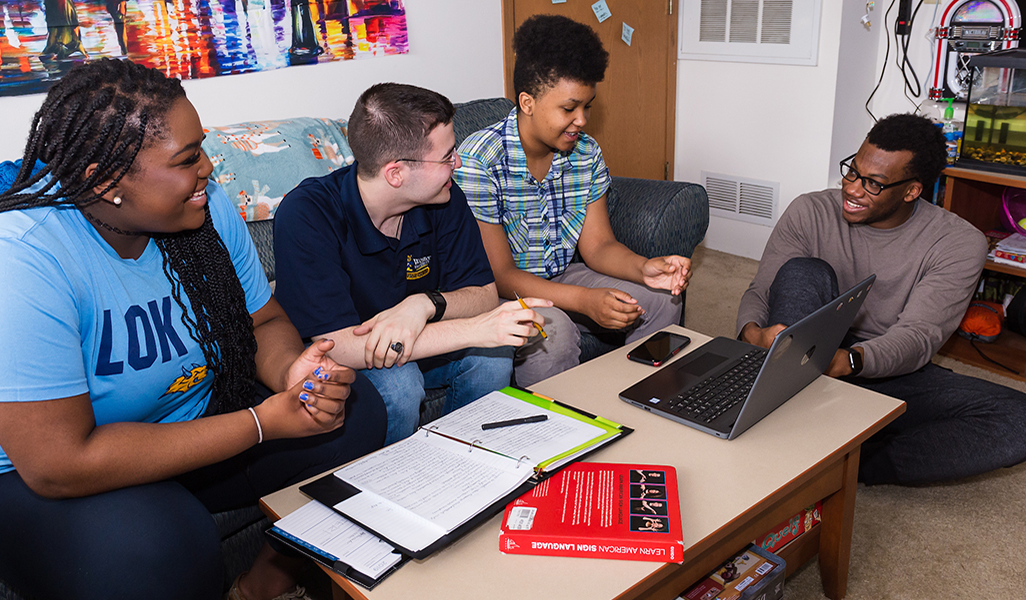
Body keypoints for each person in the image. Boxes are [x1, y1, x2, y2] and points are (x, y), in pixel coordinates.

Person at [0, 58, 387, 600]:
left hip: (184, 423)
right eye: (187, 158)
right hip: (30, 481)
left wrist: (295, 374)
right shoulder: (14, 259)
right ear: (105, 181)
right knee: (164, 552)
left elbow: (264, 323)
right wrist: (264, 423)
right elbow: (60, 464)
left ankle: (262, 589)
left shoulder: (205, 209)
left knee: (355, 410)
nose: (209, 169)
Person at [736, 112, 1026, 486]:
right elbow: (761, 290)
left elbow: (918, 337)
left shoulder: (957, 242)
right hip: (796, 352)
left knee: (1017, 420)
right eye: (852, 171)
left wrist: (850, 362)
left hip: (875, 365)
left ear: (911, 191)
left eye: (873, 183)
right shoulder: (810, 210)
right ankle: (796, 424)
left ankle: (850, 463)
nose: (853, 189)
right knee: (805, 271)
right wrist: (751, 334)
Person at [273, 83, 548, 445]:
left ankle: (473, 467)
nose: (458, 163)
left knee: (493, 357)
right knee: (399, 385)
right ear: (396, 173)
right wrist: (475, 330)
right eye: (448, 156)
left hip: (420, 343)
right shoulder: (307, 214)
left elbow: (483, 293)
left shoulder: (444, 198)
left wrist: (421, 305)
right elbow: (337, 345)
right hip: (352, 360)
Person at [454, 14, 691, 386]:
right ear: (527, 102)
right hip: (504, 291)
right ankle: (561, 433)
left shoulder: (585, 153)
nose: (581, 120)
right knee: (555, 331)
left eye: (588, 106)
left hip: (564, 272)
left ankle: (637, 398)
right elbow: (500, 275)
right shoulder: (479, 160)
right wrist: (583, 301)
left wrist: (644, 267)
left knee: (661, 299)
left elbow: (598, 246)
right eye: (569, 108)